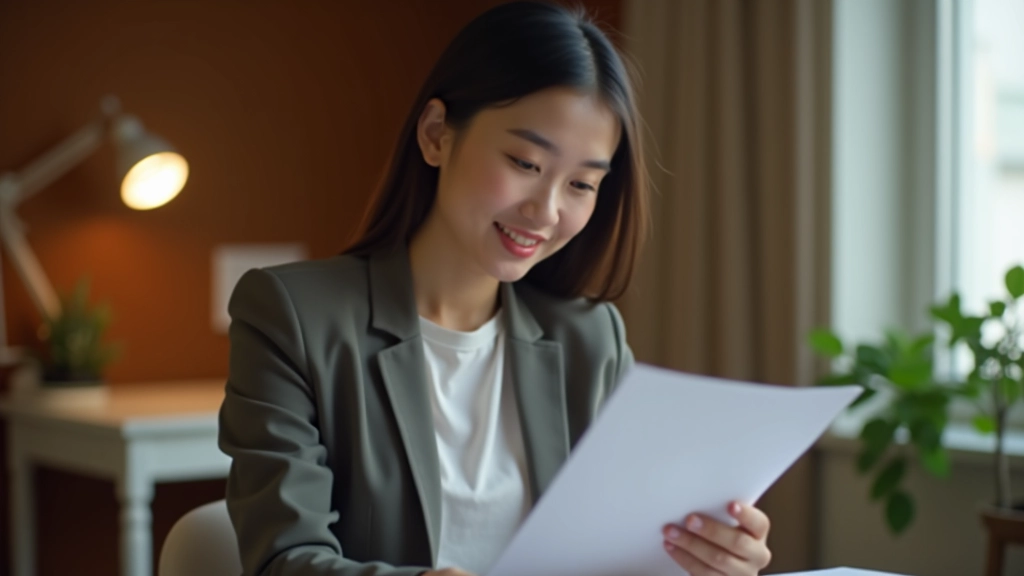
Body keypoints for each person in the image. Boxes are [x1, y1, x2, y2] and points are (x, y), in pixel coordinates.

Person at [218, 2, 773, 575]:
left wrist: (703, 557)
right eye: (525, 163)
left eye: (582, 184)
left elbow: (626, 549)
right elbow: (283, 561)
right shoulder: (293, 317)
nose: (546, 211)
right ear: (436, 135)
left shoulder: (590, 339)